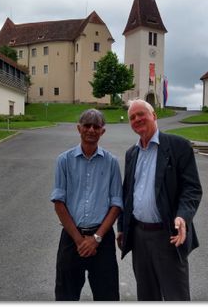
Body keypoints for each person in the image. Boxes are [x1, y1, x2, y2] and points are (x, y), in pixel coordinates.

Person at [117, 99, 203, 301]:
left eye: (141, 114)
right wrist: (122, 227)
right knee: (147, 296)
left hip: (168, 236)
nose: (137, 119)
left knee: (176, 296)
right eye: (132, 117)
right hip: (139, 237)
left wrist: (183, 217)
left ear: (154, 115)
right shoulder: (132, 153)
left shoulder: (178, 146)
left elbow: (192, 188)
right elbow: (127, 194)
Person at [51, 109, 123, 301]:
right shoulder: (64, 161)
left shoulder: (111, 163)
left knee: (107, 296)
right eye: (87, 125)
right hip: (72, 237)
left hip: (102, 241)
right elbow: (59, 203)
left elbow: (116, 204)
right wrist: (79, 240)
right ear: (79, 128)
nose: (91, 130)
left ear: (102, 131)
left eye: (96, 126)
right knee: (66, 295)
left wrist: (96, 238)